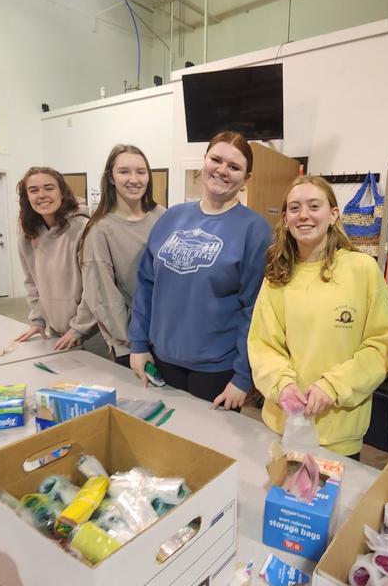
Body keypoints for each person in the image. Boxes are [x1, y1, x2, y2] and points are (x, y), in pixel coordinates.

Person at [248, 176, 388, 458]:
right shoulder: (277, 276)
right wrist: (282, 385)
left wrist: (333, 386)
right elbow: (263, 345)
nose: (304, 215)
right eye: (294, 208)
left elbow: (380, 347)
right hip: (283, 423)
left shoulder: (362, 269)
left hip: (339, 430)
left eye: (314, 206)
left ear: (333, 214)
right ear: (286, 219)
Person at [129, 131, 273, 408]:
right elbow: (146, 285)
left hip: (217, 370)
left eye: (234, 167)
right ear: (203, 162)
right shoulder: (172, 217)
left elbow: (255, 309)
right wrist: (138, 344)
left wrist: (244, 376)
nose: (222, 170)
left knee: (205, 448)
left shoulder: (255, 230)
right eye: (216, 160)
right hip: (162, 360)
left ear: (247, 179)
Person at [78, 144, 165, 366]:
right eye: (124, 171)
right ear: (111, 177)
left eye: (141, 171)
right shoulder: (100, 230)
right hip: (132, 342)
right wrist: (135, 342)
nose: (134, 179)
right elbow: (103, 296)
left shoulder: (163, 216)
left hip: (166, 335)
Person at [14, 166, 93, 351]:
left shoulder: (84, 229)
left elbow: (95, 288)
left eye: (49, 188)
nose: (41, 194)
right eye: (33, 190)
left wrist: (78, 329)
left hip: (90, 334)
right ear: (27, 198)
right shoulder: (28, 236)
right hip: (56, 332)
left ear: (62, 193)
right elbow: (32, 283)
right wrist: (37, 320)